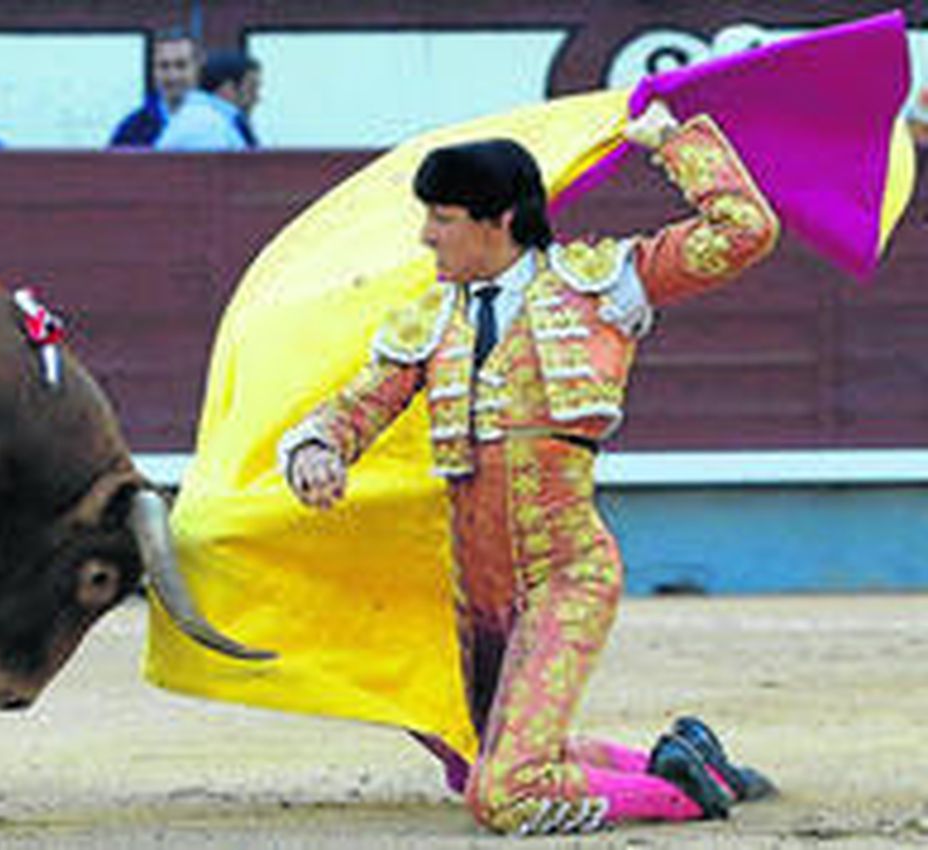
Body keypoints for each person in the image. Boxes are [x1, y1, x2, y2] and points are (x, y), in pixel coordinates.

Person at [278, 101, 778, 835]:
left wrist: (675, 143)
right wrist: (319, 448)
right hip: (475, 593)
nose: (426, 235)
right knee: (473, 760)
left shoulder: (604, 285)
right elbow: (358, 406)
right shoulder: (429, 321)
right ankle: (680, 761)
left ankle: (690, 797)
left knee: (505, 793)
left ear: (499, 218)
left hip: (564, 574)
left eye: (441, 217)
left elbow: (745, 231)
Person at [108, 28, 202, 147]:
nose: (173, 76)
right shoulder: (132, 130)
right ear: (152, 70)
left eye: (181, 65)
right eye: (164, 66)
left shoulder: (223, 119)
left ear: (197, 67)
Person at [154, 50, 260, 151]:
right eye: (251, 89)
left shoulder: (208, 118)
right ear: (228, 89)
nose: (257, 98)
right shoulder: (204, 124)